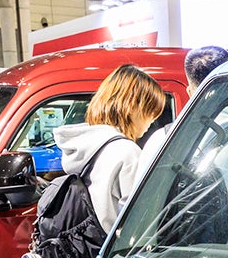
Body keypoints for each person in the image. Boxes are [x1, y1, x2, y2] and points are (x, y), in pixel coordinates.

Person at [53, 64, 168, 234]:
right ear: (132, 108)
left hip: (82, 244)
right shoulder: (126, 153)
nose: (152, 121)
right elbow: (137, 224)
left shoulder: (84, 144)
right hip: (110, 247)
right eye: (151, 112)